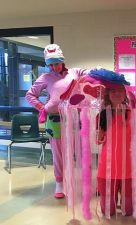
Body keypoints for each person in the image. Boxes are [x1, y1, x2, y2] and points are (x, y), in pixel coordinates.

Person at [25, 44, 88, 199]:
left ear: (62, 60)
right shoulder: (45, 78)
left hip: (73, 118)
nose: (54, 66)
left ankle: (71, 180)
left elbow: (90, 73)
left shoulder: (74, 72)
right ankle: (60, 182)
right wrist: (42, 107)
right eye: (51, 64)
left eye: (57, 63)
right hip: (54, 120)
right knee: (58, 154)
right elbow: (30, 95)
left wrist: (101, 74)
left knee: (75, 150)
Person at [95, 73, 136, 218]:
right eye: (112, 91)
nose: (116, 93)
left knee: (128, 211)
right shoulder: (102, 115)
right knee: (108, 212)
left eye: (119, 90)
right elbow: (98, 141)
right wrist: (99, 136)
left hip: (128, 170)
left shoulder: (134, 115)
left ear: (125, 93)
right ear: (108, 94)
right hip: (107, 170)